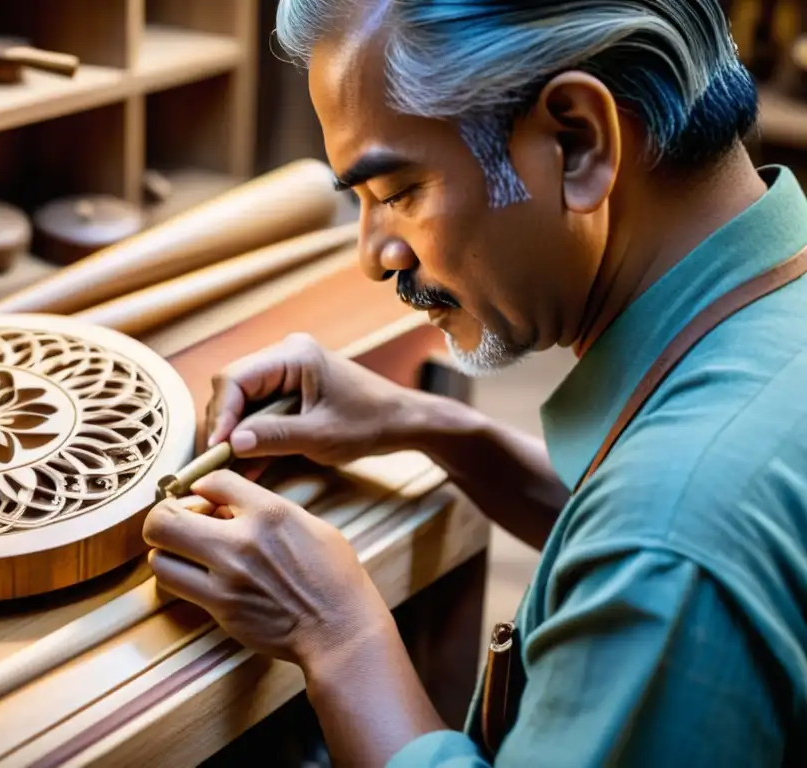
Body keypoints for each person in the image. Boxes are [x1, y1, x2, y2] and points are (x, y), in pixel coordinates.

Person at [141, 1, 807, 765]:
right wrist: (428, 424)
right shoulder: (773, 307)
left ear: (577, 142)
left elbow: (661, 541)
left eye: (397, 191)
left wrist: (339, 632)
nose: (374, 254)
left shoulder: (670, 541)